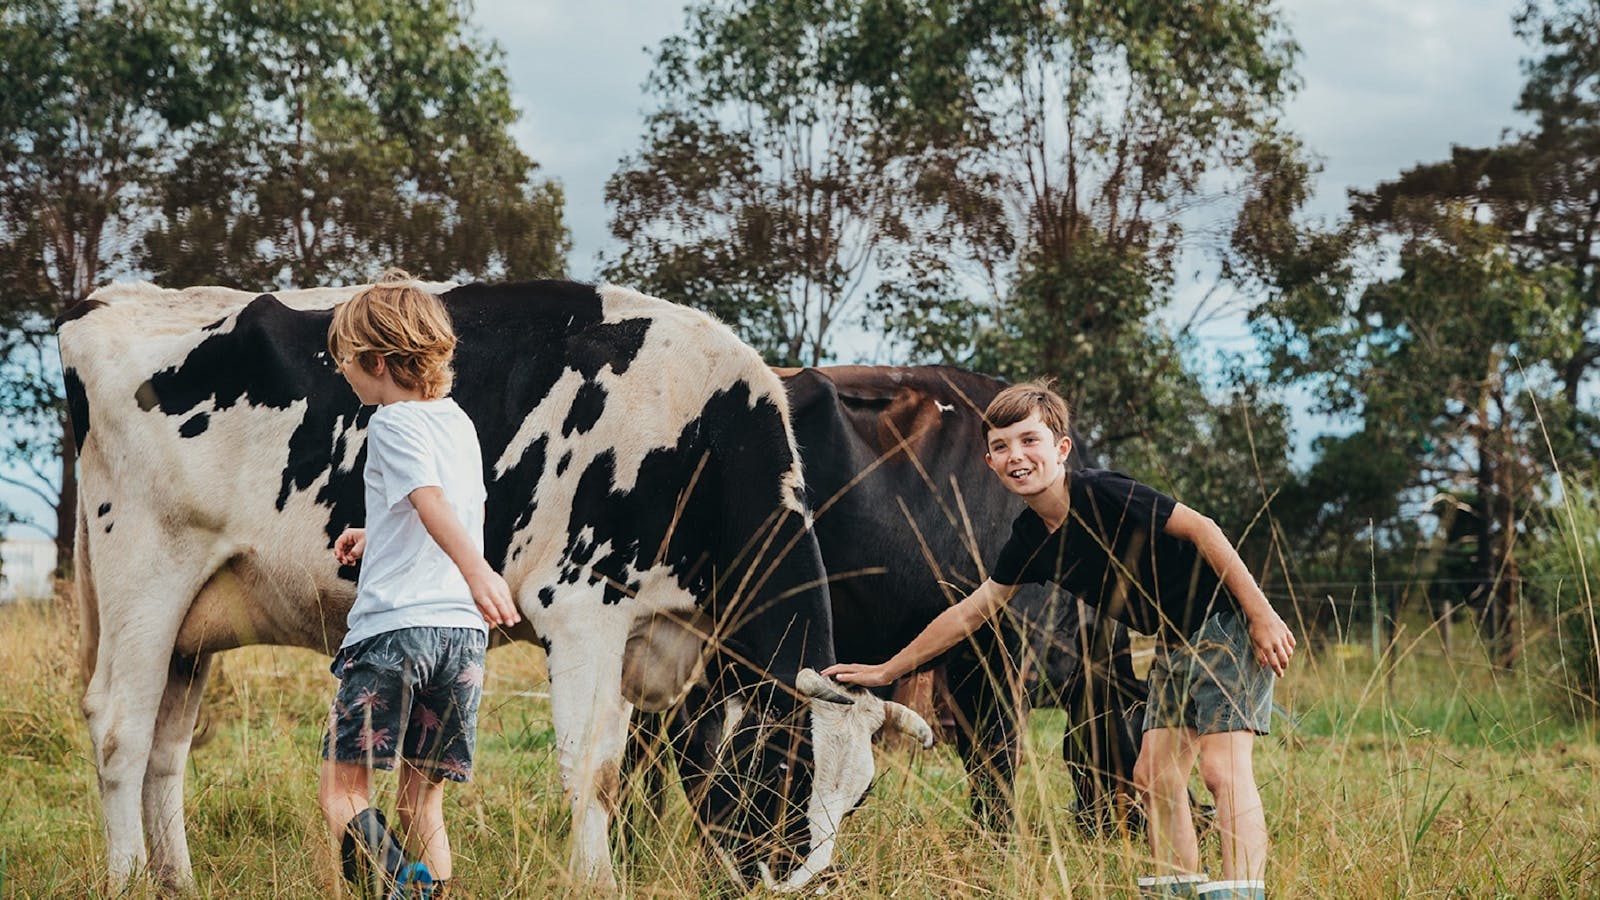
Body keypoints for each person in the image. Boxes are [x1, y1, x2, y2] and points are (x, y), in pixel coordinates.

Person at [823, 379, 1294, 900]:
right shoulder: (1031, 539)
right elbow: (968, 614)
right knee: (1153, 774)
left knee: (1220, 770)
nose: (1016, 456)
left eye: (1029, 440)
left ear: (1060, 449)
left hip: (1224, 619)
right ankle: (1175, 890)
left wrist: (1262, 615)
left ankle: (1241, 892)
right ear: (990, 463)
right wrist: (888, 671)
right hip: (1175, 639)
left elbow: (1203, 529)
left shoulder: (1101, 492)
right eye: (1001, 446)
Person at [320, 271, 521, 899]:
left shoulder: (390, 422)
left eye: (345, 362)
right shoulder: (456, 422)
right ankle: (434, 893)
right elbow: (443, 508)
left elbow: (430, 501)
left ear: (376, 361)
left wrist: (478, 570)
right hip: (461, 636)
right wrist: (374, 532)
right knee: (421, 803)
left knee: (343, 792)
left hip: (395, 630)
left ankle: (402, 893)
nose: (343, 374)